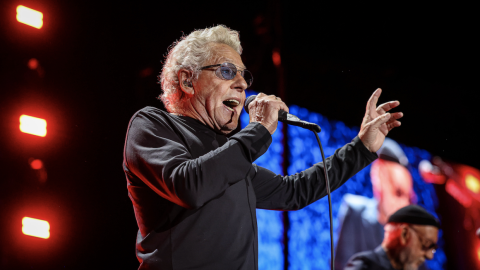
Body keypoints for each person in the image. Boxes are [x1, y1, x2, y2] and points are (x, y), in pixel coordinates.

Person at [122, 25, 403, 270]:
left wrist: (362, 147)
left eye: (244, 76)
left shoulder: (231, 156)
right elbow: (189, 185)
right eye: (227, 71)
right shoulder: (152, 125)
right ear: (187, 80)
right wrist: (257, 131)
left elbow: (294, 191)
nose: (243, 84)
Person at [335, 138, 417, 270]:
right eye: (398, 192)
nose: (404, 205)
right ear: (379, 177)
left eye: (408, 198)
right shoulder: (355, 212)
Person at [344, 205, 440, 270]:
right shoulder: (366, 266)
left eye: (433, 249)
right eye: (427, 244)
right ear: (404, 234)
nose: (429, 256)